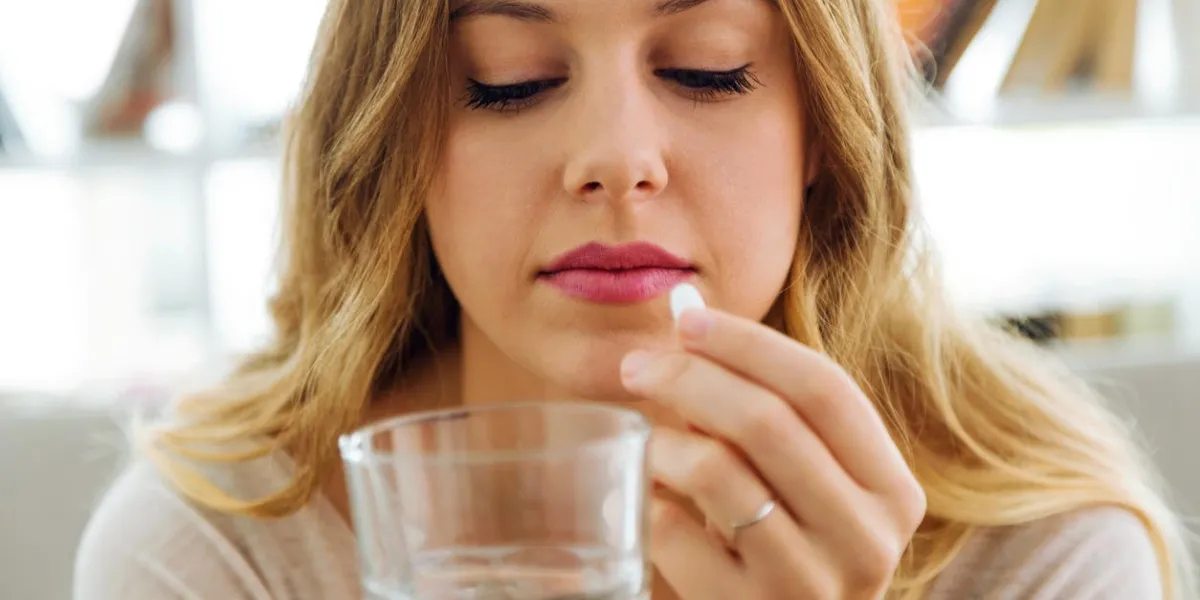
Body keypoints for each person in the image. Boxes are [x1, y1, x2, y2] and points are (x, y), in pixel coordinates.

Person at [75, 0, 1193, 598]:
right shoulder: (219, 549)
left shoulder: (1042, 557)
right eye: (507, 77)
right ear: (399, 136)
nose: (616, 160)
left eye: (706, 68)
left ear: (823, 132)